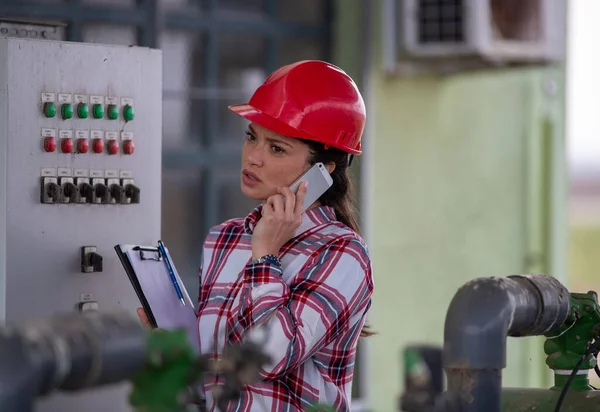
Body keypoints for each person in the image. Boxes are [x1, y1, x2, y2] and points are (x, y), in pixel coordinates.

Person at [138, 60, 374, 411]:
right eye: (252, 137)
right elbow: (210, 390)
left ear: (322, 171)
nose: (253, 157)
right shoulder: (224, 239)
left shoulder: (342, 253)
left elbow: (268, 359)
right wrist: (176, 358)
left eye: (276, 148)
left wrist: (266, 255)